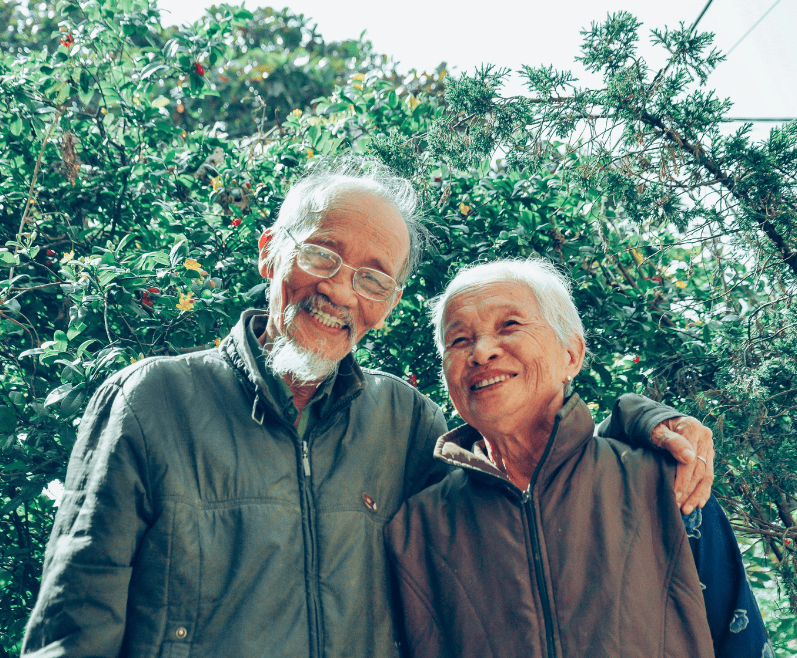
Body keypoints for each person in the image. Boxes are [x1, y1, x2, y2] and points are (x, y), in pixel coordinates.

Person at [22, 159, 714, 658]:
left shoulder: (405, 421)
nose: (340, 291)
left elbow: (525, 468)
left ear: (388, 303)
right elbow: (72, 628)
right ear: (271, 253)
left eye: (374, 277)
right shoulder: (153, 401)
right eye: (321, 254)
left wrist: (639, 421)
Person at [384, 258, 772, 658]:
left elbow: (740, 638)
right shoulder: (417, 528)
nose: (481, 352)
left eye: (510, 325)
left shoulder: (665, 482)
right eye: (459, 340)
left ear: (571, 355)